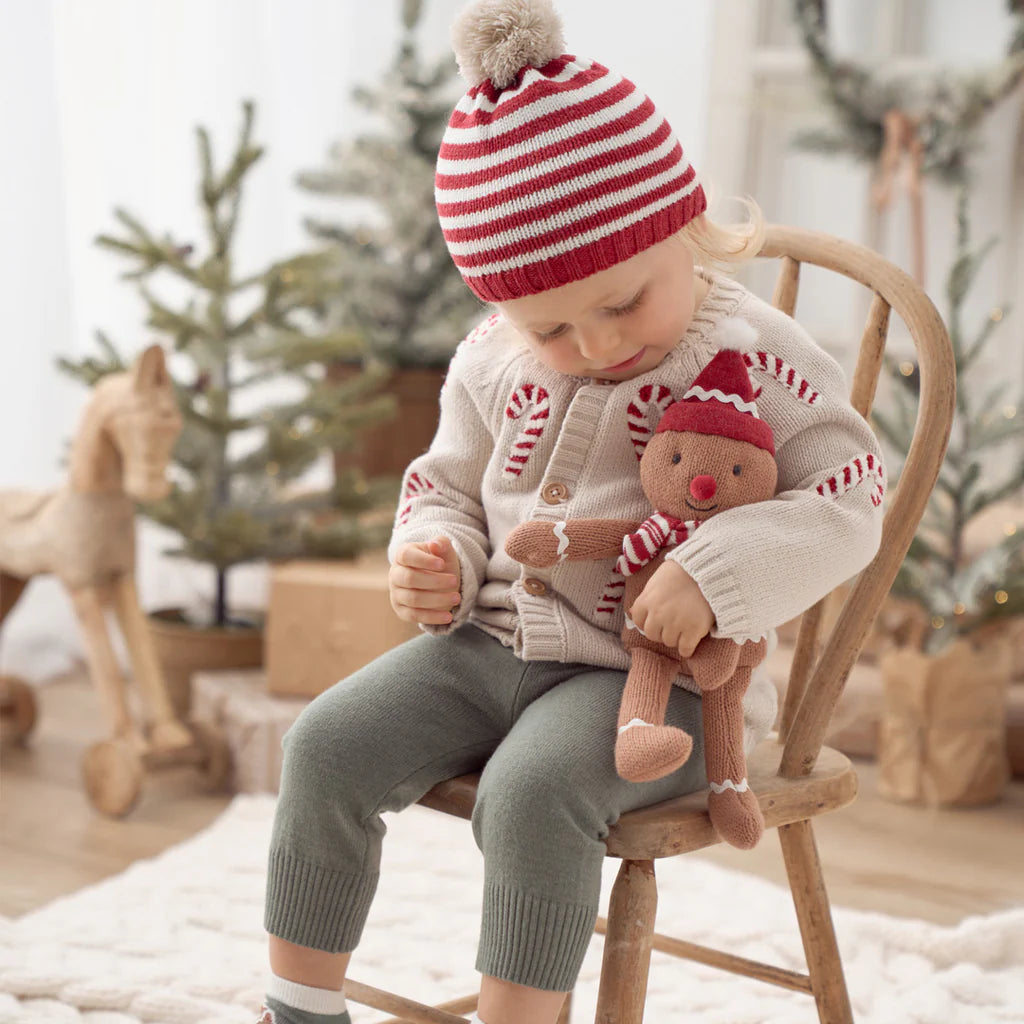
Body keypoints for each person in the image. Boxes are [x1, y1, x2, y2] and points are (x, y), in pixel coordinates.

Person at [257, 1, 885, 1022]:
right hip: (488, 645)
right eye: (549, 325)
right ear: (501, 309)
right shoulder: (491, 358)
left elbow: (852, 494)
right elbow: (444, 483)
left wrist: (715, 573)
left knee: (533, 792)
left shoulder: (754, 351)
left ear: (683, 231)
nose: (594, 344)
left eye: (623, 302)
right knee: (324, 744)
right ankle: (296, 1004)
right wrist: (434, 550)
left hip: (652, 687)